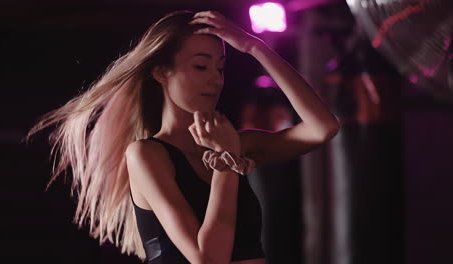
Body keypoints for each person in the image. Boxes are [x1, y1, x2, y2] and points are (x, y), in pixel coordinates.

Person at [26, 9, 340, 264]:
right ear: (162, 73)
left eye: (220, 67)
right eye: (201, 66)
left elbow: (322, 128)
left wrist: (254, 47)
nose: (215, 79)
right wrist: (226, 164)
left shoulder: (235, 143)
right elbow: (207, 260)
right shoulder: (147, 155)